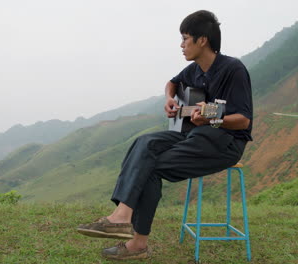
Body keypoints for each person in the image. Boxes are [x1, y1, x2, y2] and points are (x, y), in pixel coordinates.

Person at [77, 10, 253, 260]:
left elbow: (244, 120)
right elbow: (172, 82)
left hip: (225, 142)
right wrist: (170, 98)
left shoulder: (232, 69)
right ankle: (123, 218)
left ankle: (134, 239)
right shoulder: (194, 70)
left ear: (202, 40)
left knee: (150, 167)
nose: (181, 45)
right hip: (195, 135)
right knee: (144, 143)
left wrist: (214, 118)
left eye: (185, 38)